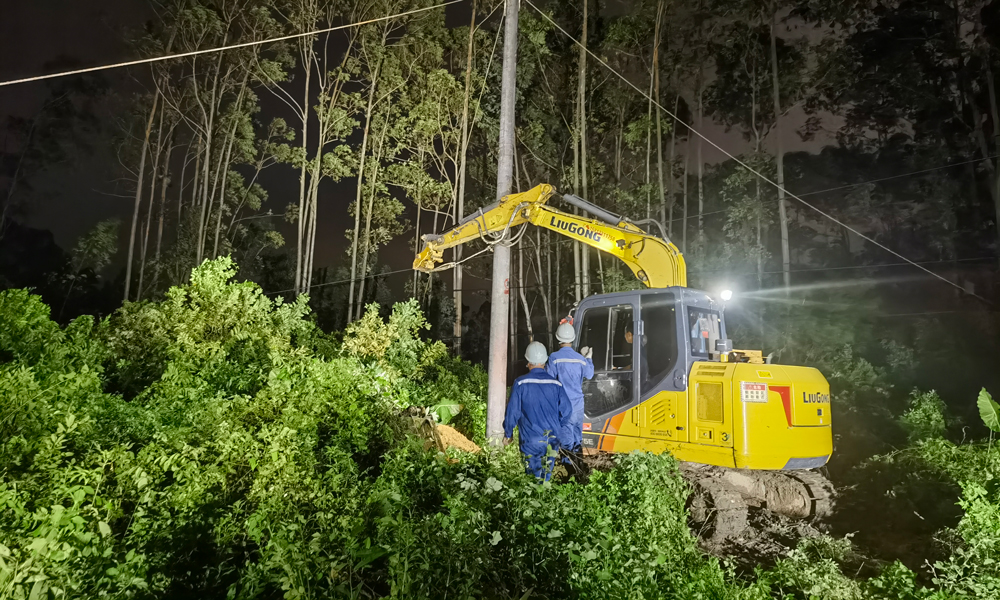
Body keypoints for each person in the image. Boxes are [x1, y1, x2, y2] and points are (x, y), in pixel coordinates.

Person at [503, 341, 573, 481]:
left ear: (528, 362)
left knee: (533, 479)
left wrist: (508, 433)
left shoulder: (520, 383)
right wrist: (558, 426)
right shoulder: (556, 384)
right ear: (545, 362)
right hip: (552, 438)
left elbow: (513, 412)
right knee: (545, 476)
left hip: (530, 440)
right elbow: (567, 410)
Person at [546, 322, 594, 455]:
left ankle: (569, 465)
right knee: (577, 438)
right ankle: (578, 462)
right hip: (578, 405)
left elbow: (548, 381)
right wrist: (588, 358)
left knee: (566, 441)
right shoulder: (580, 359)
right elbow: (590, 374)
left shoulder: (554, 358)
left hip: (563, 406)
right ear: (572, 339)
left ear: (558, 338)